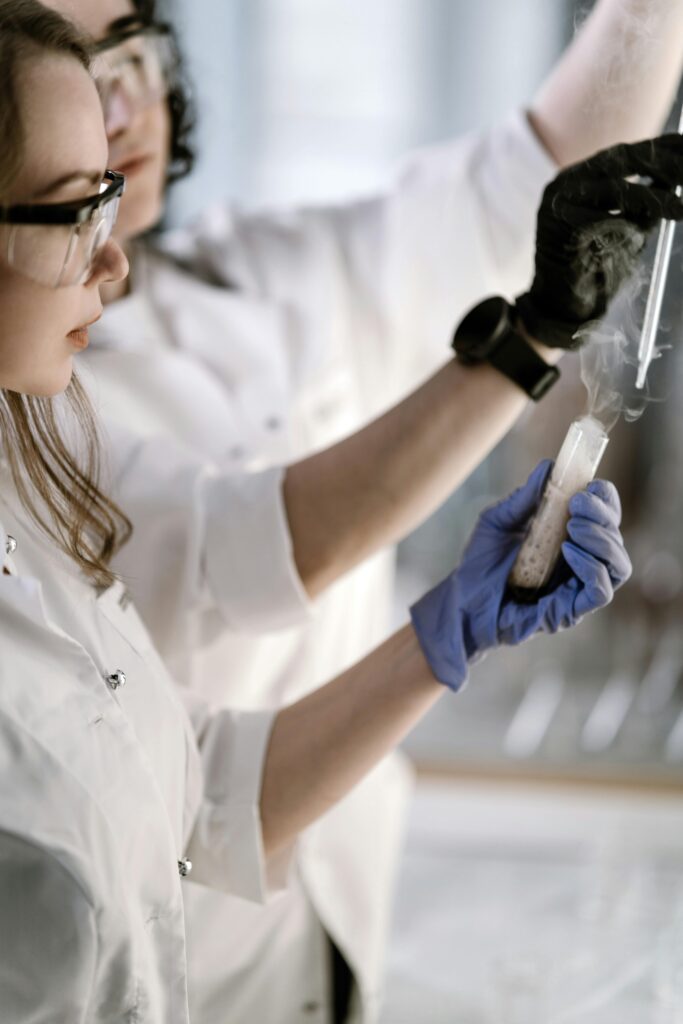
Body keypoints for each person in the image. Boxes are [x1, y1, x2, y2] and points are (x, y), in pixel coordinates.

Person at [43, 0, 683, 1020]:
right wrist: (532, 335)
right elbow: (254, 542)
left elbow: (540, 175)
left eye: (133, 52)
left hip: (329, 945)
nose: (120, 102)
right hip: (181, 975)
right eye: (69, 62)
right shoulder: (28, 409)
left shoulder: (255, 266)